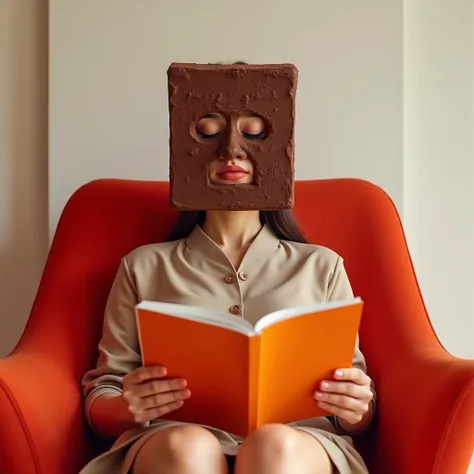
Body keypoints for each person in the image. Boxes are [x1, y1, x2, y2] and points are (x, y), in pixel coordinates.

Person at [79, 63, 376, 474]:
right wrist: (127, 406)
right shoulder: (143, 266)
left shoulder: (321, 266)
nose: (232, 152)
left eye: (253, 134)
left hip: (298, 445)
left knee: (275, 445)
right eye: (208, 133)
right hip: (171, 442)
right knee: (188, 446)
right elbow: (104, 391)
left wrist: (354, 405)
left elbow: (356, 405)